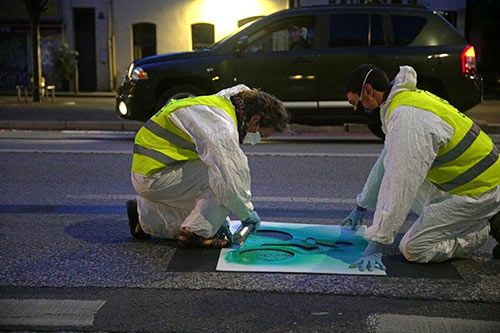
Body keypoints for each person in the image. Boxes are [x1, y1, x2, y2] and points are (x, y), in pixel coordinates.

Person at [340, 64, 500, 271]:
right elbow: (386, 161)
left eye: (356, 102)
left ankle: (477, 232)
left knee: (413, 248)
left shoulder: (407, 117)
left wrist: (377, 242)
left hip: (479, 191)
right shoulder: (404, 101)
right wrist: (361, 205)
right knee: (393, 165)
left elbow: (400, 183)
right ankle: (473, 220)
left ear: (369, 90)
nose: (356, 108)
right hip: (469, 182)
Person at [126, 85, 290, 248]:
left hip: (153, 171)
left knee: (208, 211)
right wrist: (247, 214)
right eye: (262, 134)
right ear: (255, 119)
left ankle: (142, 215)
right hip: (155, 176)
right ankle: (195, 234)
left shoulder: (224, 105)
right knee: (221, 181)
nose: (257, 139)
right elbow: (230, 179)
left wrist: (216, 221)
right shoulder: (220, 125)